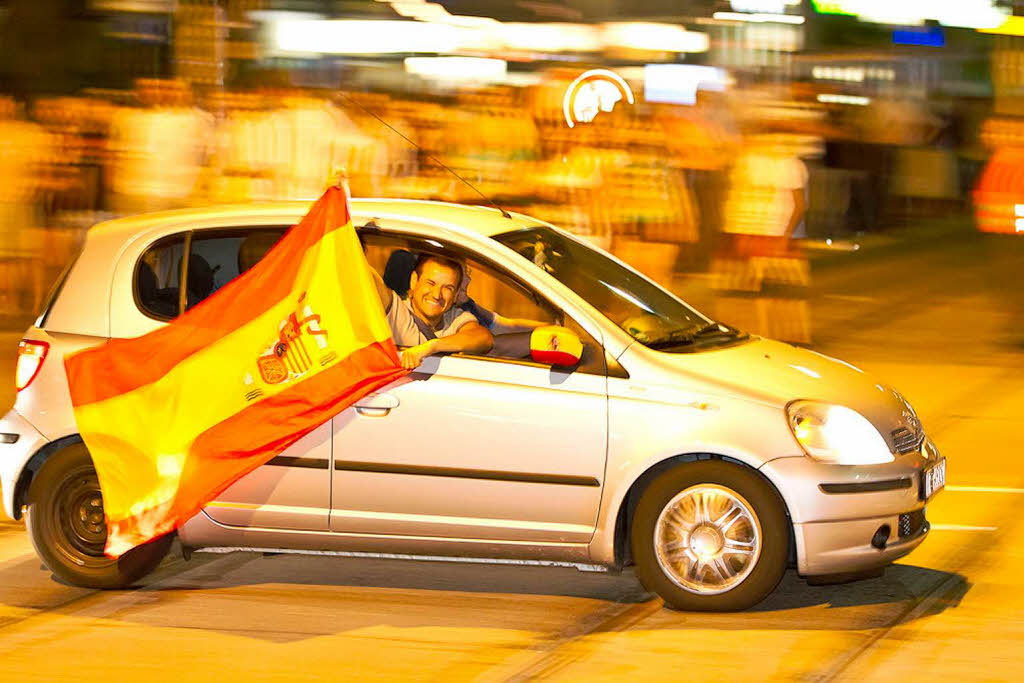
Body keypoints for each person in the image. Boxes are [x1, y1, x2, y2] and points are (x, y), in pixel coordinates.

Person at [370, 253, 493, 369]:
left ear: (455, 295)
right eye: (430, 283)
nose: (436, 295)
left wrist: (433, 346)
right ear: (414, 281)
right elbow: (368, 276)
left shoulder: (453, 317)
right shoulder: (397, 312)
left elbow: (484, 338)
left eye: (447, 288)